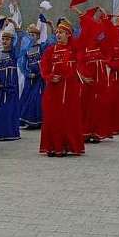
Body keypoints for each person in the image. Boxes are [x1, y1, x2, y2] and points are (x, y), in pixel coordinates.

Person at [39, 20, 85, 157]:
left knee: (68, 117)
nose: (58, 35)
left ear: (68, 34)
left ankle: (66, 146)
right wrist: (50, 76)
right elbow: (44, 67)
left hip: (69, 90)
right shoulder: (50, 51)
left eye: (62, 32)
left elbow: (79, 65)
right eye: (57, 32)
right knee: (52, 117)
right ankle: (52, 146)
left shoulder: (73, 50)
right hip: (53, 90)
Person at [77, 6, 115, 143]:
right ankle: (86, 132)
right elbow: (78, 60)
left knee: (100, 102)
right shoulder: (82, 44)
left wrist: (104, 18)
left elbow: (108, 37)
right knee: (86, 103)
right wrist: (83, 76)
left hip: (100, 76)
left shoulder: (100, 39)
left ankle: (98, 131)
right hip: (88, 77)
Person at [0, 23, 22, 141]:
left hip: (10, 88)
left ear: (12, 41)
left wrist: (16, 26)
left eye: (7, 39)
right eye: (3, 39)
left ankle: (10, 133)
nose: (4, 41)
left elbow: (21, 42)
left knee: (9, 110)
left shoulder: (14, 54)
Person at [18, 18, 51, 129]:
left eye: (33, 35)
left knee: (36, 98)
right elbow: (22, 64)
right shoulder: (26, 50)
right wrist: (27, 74)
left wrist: (51, 27)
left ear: (37, 36)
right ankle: (26, 119)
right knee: (26, 97)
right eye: (30, 35)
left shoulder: (41, 47)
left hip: (39, 78)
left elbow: (51, 42)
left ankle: (36, 120)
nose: (31, 37)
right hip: (30, 78)